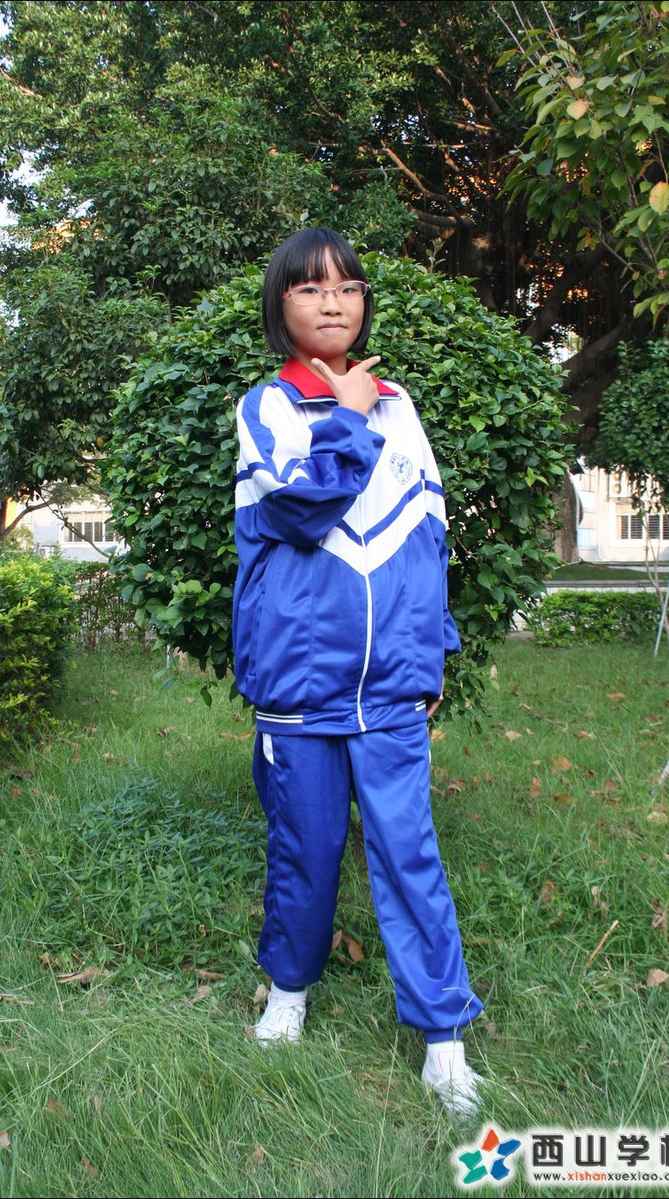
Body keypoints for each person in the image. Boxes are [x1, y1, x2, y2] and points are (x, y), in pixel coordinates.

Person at [232, 227, 484, 1117]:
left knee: (409, 850)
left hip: (390, 692)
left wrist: (433, 647)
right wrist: (344, 413)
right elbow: (300, 508)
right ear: (282, 306)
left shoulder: (398, 407)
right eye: (310, 288)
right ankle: (288, 993)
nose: (333, 301)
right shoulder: (267, 405)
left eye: (347, 286)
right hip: (300, 689)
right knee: (304, 849)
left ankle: (444, 1038)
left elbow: (427, 533)